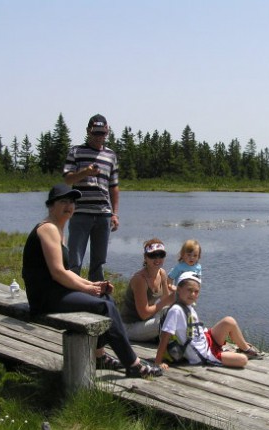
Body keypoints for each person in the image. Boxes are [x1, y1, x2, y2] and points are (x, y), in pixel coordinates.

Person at [21, 184, 161, 378]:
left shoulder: (59, 229)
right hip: (44, 298)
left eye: (72, 202)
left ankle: (98, 355)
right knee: (105, 308)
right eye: (63, 201)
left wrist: (94, 286)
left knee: (107, 299)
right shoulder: (48, 228)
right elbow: (58, 273)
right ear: (50, 206)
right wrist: (88, 290)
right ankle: (133, 364)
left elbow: (67, 272)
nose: (69, 205)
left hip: (56, 292)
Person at [155, 271, 265, 370]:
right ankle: (232, 352)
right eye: (189, 290)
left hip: (206, 339)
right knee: (242, 360)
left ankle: (246, 350)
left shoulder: (188, 306)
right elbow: (165, 335)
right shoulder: (176, 310)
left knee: (229, 321)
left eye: (196, 291)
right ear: (178, 289)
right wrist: (158, 362)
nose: (193, 294)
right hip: (205, 354)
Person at [63, 114, 119, 282]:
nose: (99, 137)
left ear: (107, 132)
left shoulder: (111, 155)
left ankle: (95, 299)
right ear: (88, 131)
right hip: (80, 213)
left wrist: (115, 214)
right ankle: (70, 297)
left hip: (103, 215)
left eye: (102, 133)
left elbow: (114, 187)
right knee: (75, 260)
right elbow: (67, 179)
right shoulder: (76, 151)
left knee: (99, 263)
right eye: (96, 133)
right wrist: (85, 172)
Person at [121, 238, 176, 341]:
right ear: (145, 257)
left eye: (161, 255)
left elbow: (167, 302)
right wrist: (166, 301)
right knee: (166, 322)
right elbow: (144, 314)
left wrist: (180, 294)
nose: (157, 259)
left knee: (177, 313)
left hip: (148, 321)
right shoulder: (140, 280)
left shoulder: (162, 273)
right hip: (130, 327)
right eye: (152, 255)